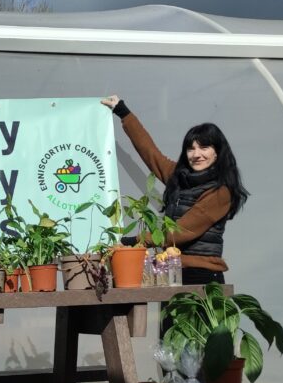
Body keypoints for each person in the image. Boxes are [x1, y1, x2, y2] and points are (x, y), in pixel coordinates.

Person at [100, 95, 249, 284]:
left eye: (204, 147)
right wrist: (123, 112)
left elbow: (180, 232)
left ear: (217, 151)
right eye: (191, 149)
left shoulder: (220, 192)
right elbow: (151, 154)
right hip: (172, 270)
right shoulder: (179, 176)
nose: (196, 154)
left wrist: (132, 242)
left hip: (202, 276)